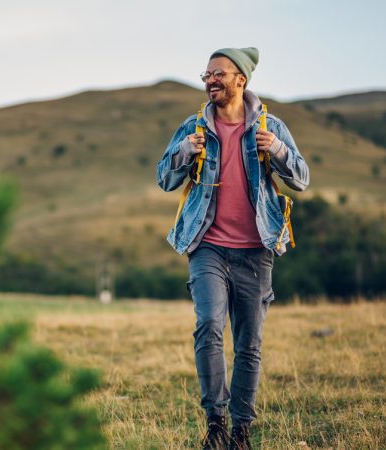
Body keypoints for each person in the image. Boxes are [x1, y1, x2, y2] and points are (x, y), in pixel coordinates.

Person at [156, 47, 310, 450]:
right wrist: (182, 153)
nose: (210, 80)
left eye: (218, 74)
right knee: (208, 325)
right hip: (207, 246)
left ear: (241, 79)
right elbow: (164, 178)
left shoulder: (269, 125)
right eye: (206, 74)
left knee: (249, 343)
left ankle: (241, 431)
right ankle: (216, 424)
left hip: (256, 249)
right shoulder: (194, 128)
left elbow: (302, 178)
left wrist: (276, 149)